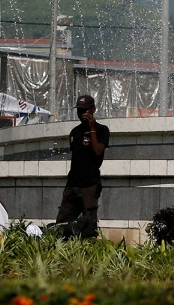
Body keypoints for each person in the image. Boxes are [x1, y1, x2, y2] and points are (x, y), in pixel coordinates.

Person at [54, 94, 109, 239]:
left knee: (89, 226)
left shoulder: (102, 130)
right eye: (80, 110)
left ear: (93, 110)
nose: (82, 114)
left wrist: (91, 129)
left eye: (86, 110)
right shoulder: (75, 132)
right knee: (61, 224)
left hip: (89, 185)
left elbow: (98, 152)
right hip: (73, 185)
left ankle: (89, 254)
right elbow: (76, 159)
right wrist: (67, 188)